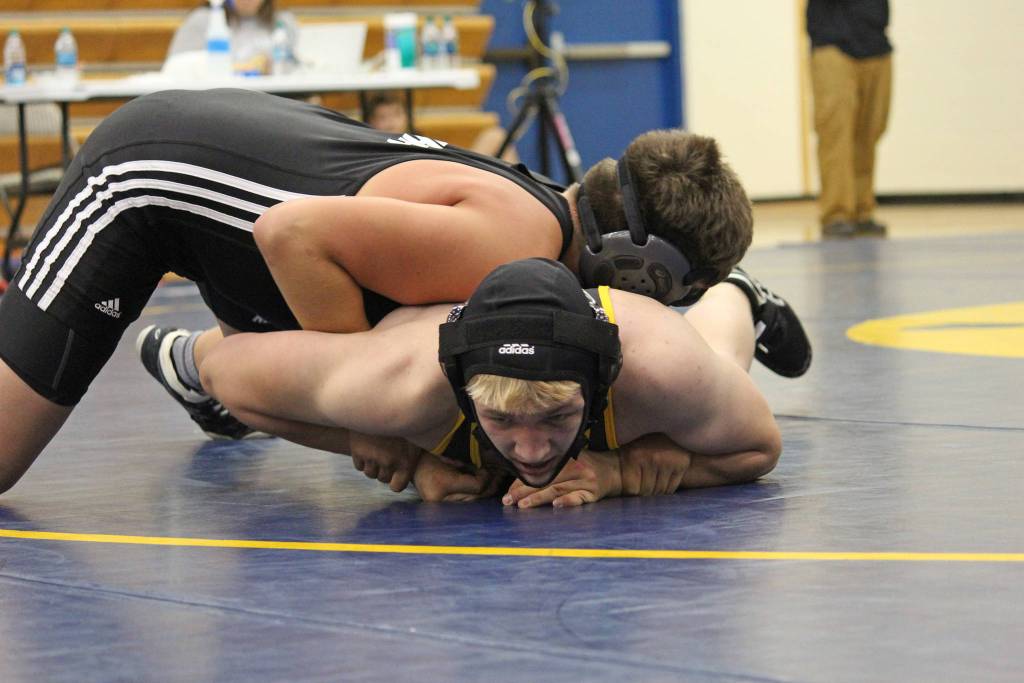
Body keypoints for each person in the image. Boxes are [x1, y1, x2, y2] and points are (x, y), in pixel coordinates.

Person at [0, 87, 754, 495]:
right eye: (673, 293)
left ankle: (197, 368)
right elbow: (291, 235)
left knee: (382, 354)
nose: (662, 312)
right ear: (637, 267)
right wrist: (377, 435)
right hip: (142, 189)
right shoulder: (508, 243)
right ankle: (209, 368)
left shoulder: (541, 222)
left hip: (241, 214)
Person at [196, 258, 810, 506]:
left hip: (649, 352)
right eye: (502, 421)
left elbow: (759, 446)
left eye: (556, 418)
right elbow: (226, 371)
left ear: (602, 384)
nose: (533, 451)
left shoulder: (652, 365)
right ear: (462, 394)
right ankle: (173, 352)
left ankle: (737, 290)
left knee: (711, 371)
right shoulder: (405, 386)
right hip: (414, 337)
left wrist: (621, 471)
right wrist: (378, 440)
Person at [807, 0, 892, 238]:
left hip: (876, 41)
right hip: (832, 42)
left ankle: (863, 210)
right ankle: (837, 213)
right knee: (835, 131)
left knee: (870, 130)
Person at [363, 90, 520, 164]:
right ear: (371, 122)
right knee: (495, 137)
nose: (391, 123)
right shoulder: (372, 152)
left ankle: (524, 192)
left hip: (448, 168)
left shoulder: (417, 140)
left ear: (406, 116)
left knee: (496, 136)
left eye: (396, 115)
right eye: (382, 118)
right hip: (440, 182)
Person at [166, 0, 298, 75]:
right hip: (218, 104)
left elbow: (298, 69)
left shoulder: (282, 22)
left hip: (274, 101)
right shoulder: (203, 19)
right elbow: (175, 68)